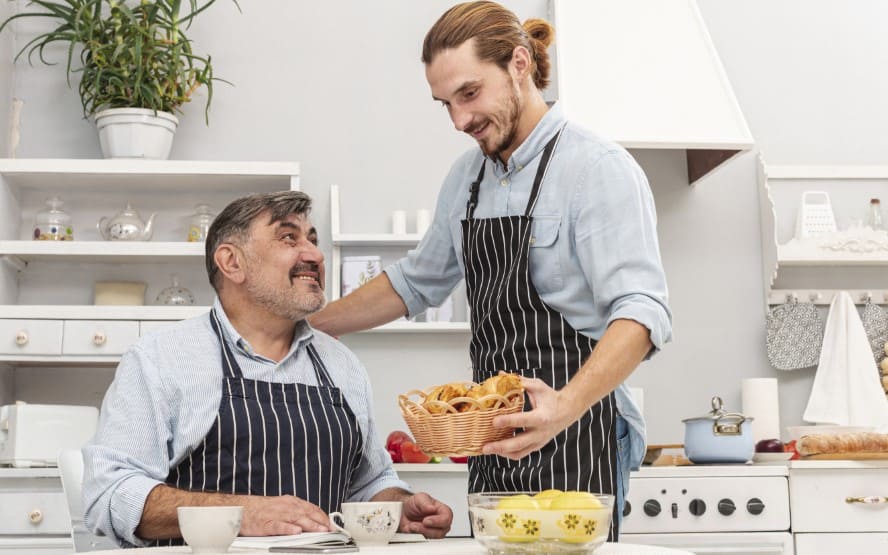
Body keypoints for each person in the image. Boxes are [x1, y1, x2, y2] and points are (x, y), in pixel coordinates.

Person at [309, 1, 671, 540]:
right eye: (446, 103)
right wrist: (307, 327)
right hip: (492, 434)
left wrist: (563, 408)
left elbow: (642, 314)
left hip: (577, 430)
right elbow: (416, 281)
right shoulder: (467, 178)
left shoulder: (596, 169)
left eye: (470, 93)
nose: (459, 121)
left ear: (519, 65)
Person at [82, 191, 453, 547]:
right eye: (288, 238)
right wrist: (242, 515)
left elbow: (369, 483)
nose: (314, 255)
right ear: (232, 262)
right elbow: (111, 493)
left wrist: (398, 505)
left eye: (312, 239)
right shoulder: (161, 359)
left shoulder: (342, 365)